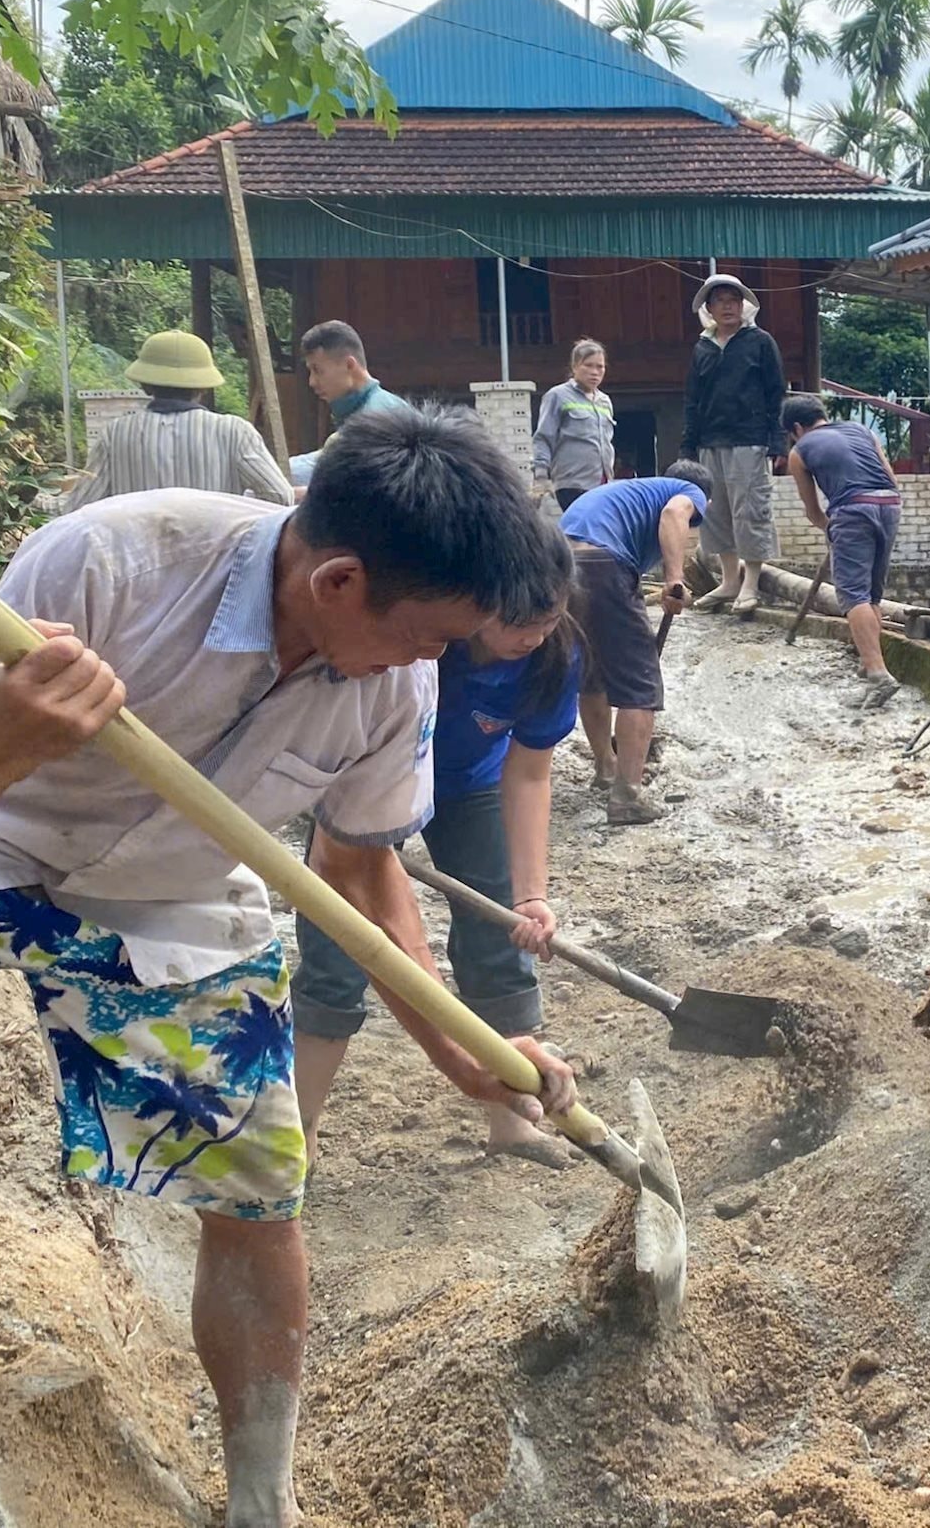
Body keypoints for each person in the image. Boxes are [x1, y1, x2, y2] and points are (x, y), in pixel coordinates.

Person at [0, 406, 574, 1528]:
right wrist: (4, 742)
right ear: (341, 582)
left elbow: (359, 868)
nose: (436, 661)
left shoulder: (388, 683)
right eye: (434, 635)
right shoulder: (109, 559)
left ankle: (264, 1503)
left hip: (176, 889)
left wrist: (463, 1054)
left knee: (261, 1196)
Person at [292, 518, 585, 1168]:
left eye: (547, 618)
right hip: (363, 785)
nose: (531, 637)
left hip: (465, 789)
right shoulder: (420, 646)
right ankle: (300, 1128)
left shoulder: (551, 657)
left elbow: (530, 770)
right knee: (337, 950)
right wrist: (369, 846)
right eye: (516, 623)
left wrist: (531, 895)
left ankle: (512, 1120)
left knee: (499, 941)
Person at [560, 464, 714, 825]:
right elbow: (674, 514)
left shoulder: (631, 491)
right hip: (602, 563)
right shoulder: (686, 493)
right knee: (640, 686)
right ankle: (627, 796)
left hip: (560, 563)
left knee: (592, 673)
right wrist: (675, 580)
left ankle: (606, 769)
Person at [65, 330, 293, 510]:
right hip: (216, 565)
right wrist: (231, 507)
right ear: (204, 386)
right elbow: (279, 496)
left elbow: (77, 506)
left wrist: (35, 496)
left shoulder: (116, 434)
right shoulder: (234, 432)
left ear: (144, 384)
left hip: (136, 566)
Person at [781, 393, 902, 708]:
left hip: (852, 509)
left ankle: (878, 674)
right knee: (871, 594)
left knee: (852, 596)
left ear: (796, 428)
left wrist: (830, 528)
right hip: (889, 505)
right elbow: (890, 477)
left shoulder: (799, 451)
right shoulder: (863, 431)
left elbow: (812, 511)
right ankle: (868, 662)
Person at [681, 272, 786, 617]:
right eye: (720, 301)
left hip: (750, 440)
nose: (728, 306)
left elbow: (776, 395)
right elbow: (693, 401)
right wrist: (688, 447)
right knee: (715, 513)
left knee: (750, 510)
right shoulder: (703, 347)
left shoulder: (760, 341)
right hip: (710, 441)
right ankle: (728, 581)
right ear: (709, 308)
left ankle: (750, 584)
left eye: (733, 300)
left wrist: (776, 440)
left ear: (743, 305)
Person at [535, 340, 617, 512]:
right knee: (582, 531)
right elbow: (543, 437)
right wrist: (541, 475)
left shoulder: (605, 401)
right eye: (588, 365)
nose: (595, 372)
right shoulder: (558, 396)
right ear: (574, 367)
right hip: (572, 483)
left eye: (600, 367)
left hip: (602, 484)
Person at [299, 320, 401, 433]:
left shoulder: (376, 420)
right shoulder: (363, 411)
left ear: (349, 365)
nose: (312, 382)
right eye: (310, 372)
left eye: (317, 370)